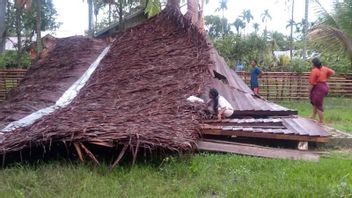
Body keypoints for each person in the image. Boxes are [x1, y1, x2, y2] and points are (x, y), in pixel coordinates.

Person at [309, 58, 335, 124]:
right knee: (315, 102)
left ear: (314, 64)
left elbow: (312, 82)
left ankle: (321, 121)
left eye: (312, 63)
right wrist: (326, 77)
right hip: (324, 86)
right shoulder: (324, 68)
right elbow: (332, 72)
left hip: (318, 87)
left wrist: (310, 90)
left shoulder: (314, 70)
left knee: (318, 104)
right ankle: (313, 116)